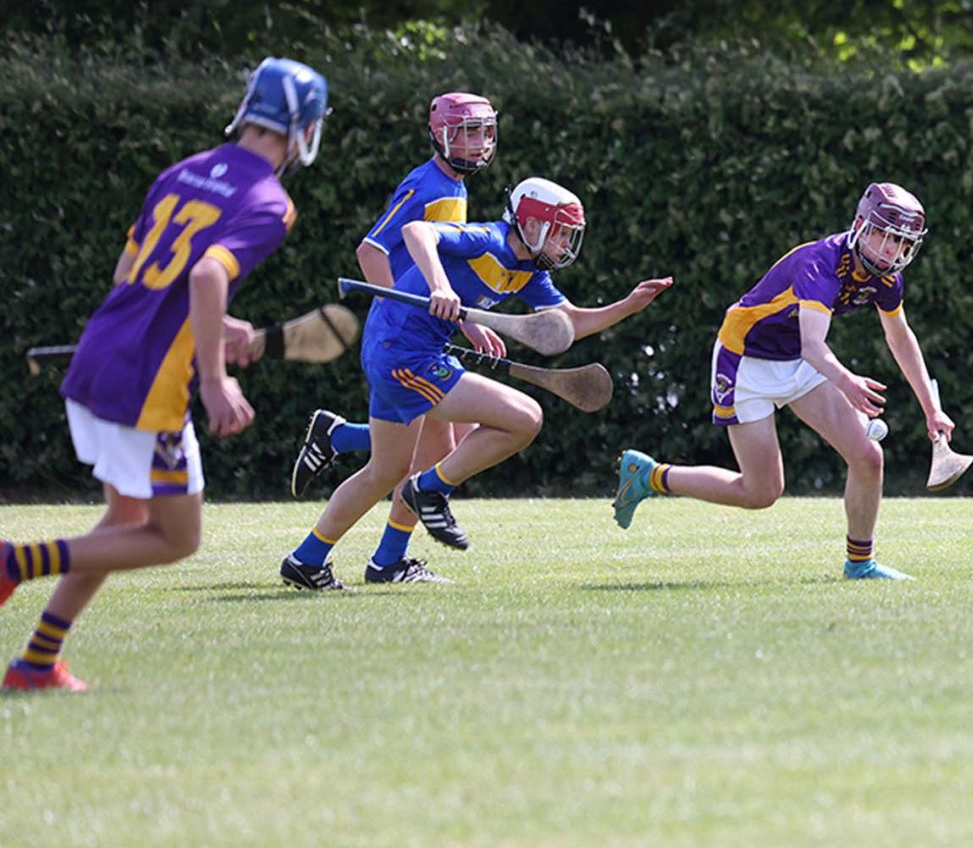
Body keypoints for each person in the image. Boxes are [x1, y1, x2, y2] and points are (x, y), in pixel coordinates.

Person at [0, 58, 330, 691]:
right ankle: (16, 561)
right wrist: (212, 377)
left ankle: (37, 662)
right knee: (176, 539)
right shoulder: (269, 201)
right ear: (303, 129)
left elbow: (133, 274)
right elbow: (206, 275)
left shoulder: (181, 173)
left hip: (102, 348)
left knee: (125, 523)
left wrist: (216, 326)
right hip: (150, 384)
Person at [280, 177, 673, 590]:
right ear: (533, 224)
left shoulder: (527, 271)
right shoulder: (489, 239)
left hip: (407, 348)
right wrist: (439, 285)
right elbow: (417, 231)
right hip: (405, 354)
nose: (564, 246)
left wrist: (628, 306)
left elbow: (567, 325)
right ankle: (427, 490)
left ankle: (307, 561)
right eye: (559, 234)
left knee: (385, 470)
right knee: (524, 417)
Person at [610, 182, 955, 581]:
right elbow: (813, 344)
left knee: (868, 457)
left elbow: (900, 337)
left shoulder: (886, 278)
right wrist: (846, 383)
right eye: (885, 235)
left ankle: (860, 564)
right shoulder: (821, 264)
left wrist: (932, 409)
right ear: (861, 225)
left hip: (796, 358)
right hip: (746, 361)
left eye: (901, 241)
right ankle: (650, 476)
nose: (892, 250)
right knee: (761, 492)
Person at [289, 92, 501, 584]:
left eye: (483, 132)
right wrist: (398, 314)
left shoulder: (455, 187)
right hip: (409, 343)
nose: (477, 143)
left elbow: (440, 271)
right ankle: (383, 558)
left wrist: (463, 320)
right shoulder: (426, 184)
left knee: (428, 457)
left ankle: (341, 446)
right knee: (426, 458)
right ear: (441, 135)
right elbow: (371, 250)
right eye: (466, 132)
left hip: (428, 337)